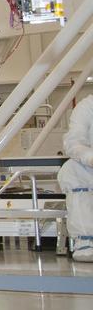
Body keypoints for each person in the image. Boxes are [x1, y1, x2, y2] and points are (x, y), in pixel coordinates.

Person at [58, 95, 93, 262]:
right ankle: (86, 243)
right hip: (90, 168)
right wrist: (90, 157)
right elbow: (74, 142)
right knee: (71, 170)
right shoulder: (87, 107)